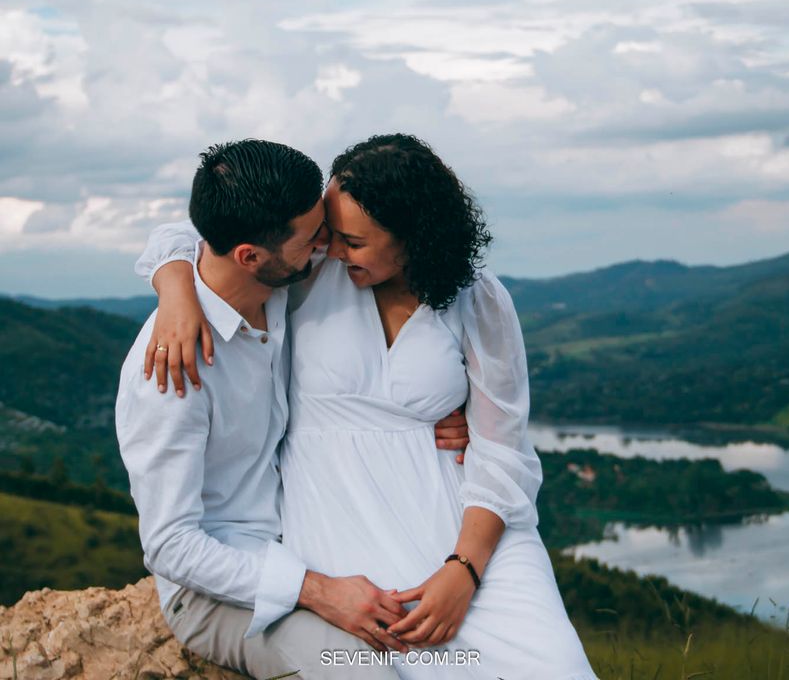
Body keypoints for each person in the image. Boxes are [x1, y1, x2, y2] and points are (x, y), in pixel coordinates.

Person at [140, 134, 598, 680]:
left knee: (553, 664)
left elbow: (505, 451)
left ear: (410, 239)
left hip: (460, 519)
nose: (332, 249)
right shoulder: (307, 276)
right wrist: (176, 291)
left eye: (352, 241)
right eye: (329, 234)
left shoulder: (478, 300)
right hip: (340, 516)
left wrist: (464, 570)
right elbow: (206, 237)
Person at [116, 139, 469, 680]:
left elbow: (181, 236)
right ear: (251, 257)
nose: (328, 244)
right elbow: (171, 546)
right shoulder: (172, 373)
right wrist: (316, 591)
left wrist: (437, 408)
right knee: (362, 671)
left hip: (308, 530)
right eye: (313, 237)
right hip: (222, 588)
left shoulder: (275, 285)